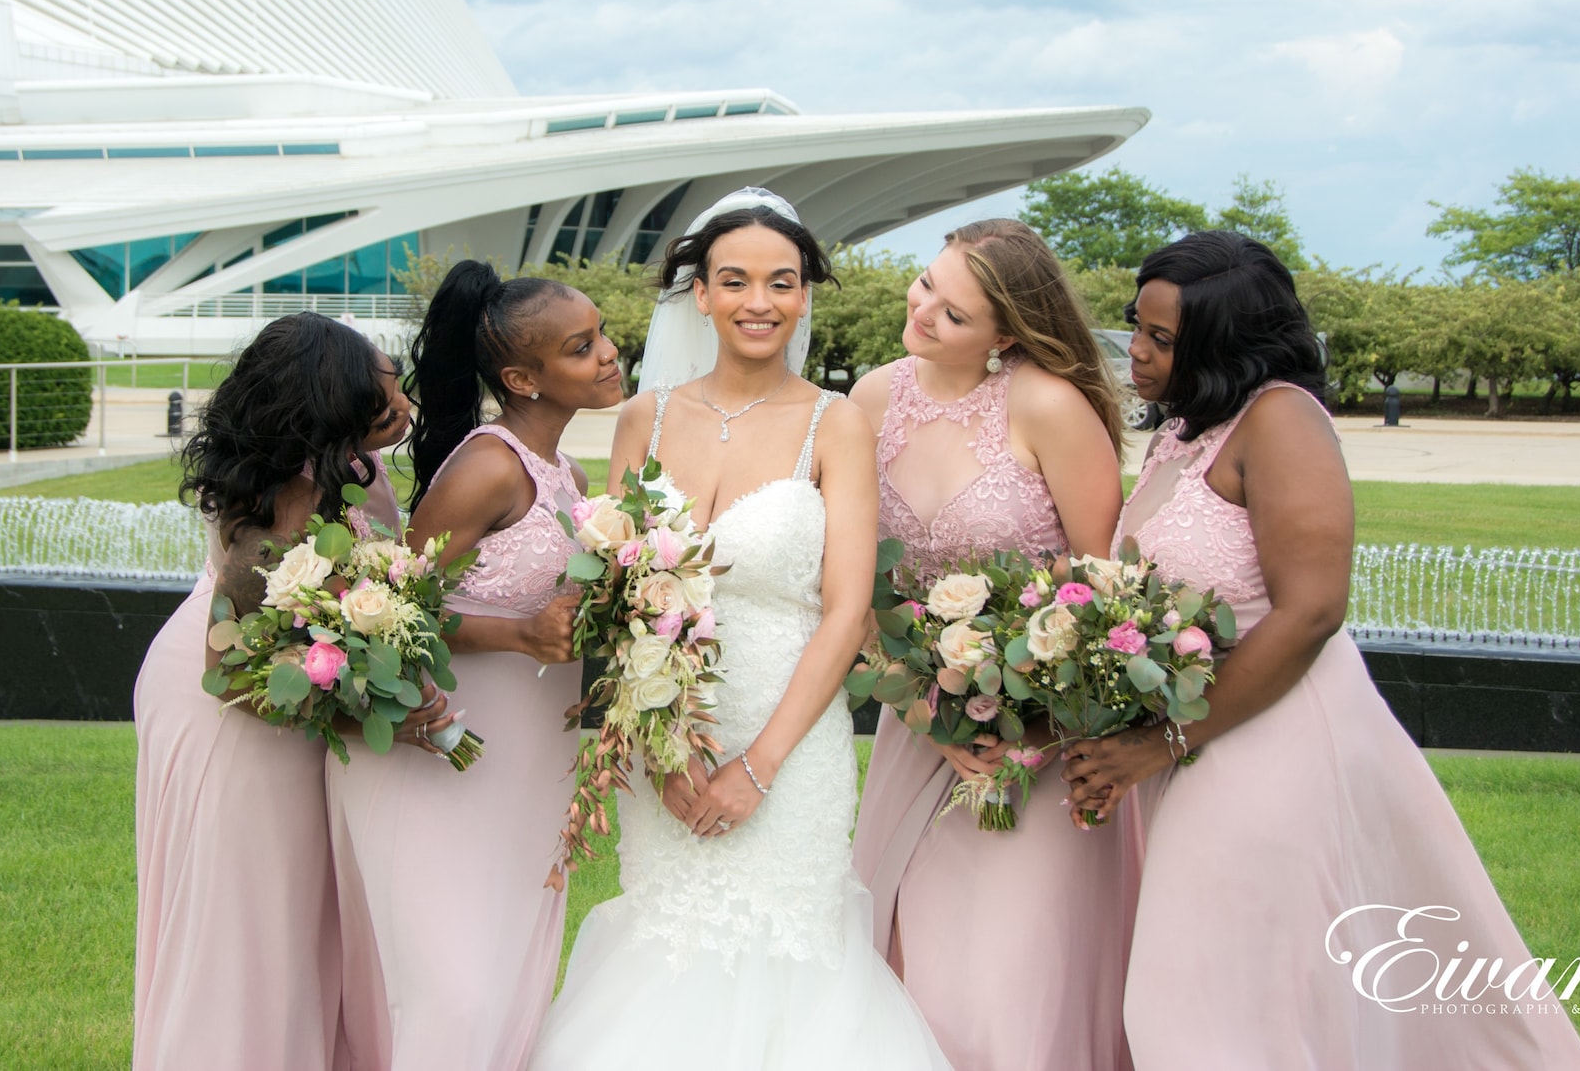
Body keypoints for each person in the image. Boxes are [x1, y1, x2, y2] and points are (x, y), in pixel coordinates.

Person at [1061, 232, 1580, 1070]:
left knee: (1203, 999)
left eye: (1162, 338)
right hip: (1196, 745)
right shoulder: (1186, 430)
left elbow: (1312, 610)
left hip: (1271, 744)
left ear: (1224, 343)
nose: (1136, 349)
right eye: (1139, 324)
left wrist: (1159, 741)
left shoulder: (1281, 420)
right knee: (1214, 994)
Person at [531, 189, 951, 1071]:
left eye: (782, 282)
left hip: (790, 744)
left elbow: (846, 611)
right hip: (669, 743)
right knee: (670, 943)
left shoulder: (836, 422)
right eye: (736, 281)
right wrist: (664, 744)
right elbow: (625, 592)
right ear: (701, 295)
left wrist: (758, 765)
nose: (759, 301)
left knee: (786, 956)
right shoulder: (643, 419)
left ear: (804, 296)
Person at [849, 218, 1134, 1071]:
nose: (925, 310)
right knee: (906, 956)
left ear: (1007, 332)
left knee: (1006, 975)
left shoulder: (1047, 404)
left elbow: (1108, 596)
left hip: (1041, 744)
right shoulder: (871, 399)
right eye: (927, 283)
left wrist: (1038, 728)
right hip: (918, 724)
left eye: (957, 311)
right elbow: (854, 588)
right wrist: (924, 712)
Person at [133, 312, 449, 1071]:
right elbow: (230, 664)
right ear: (326, 396)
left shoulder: (346, 471)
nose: (394, 397)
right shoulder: (285, 491)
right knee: (243, 916)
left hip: (284, 694)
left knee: (300, 915)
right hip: (232, 708)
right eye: (374, 384)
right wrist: (377, 709)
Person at [328, 261, 622, 1071]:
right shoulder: (487, 466)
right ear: (523, 378)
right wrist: (521, 634)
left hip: (532, 756)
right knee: (455, 990)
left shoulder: (569, 475)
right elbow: (389, 613)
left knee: (508, 971)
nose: (608, 353)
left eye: (601, 333)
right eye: (582, 345)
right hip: (449, 746)